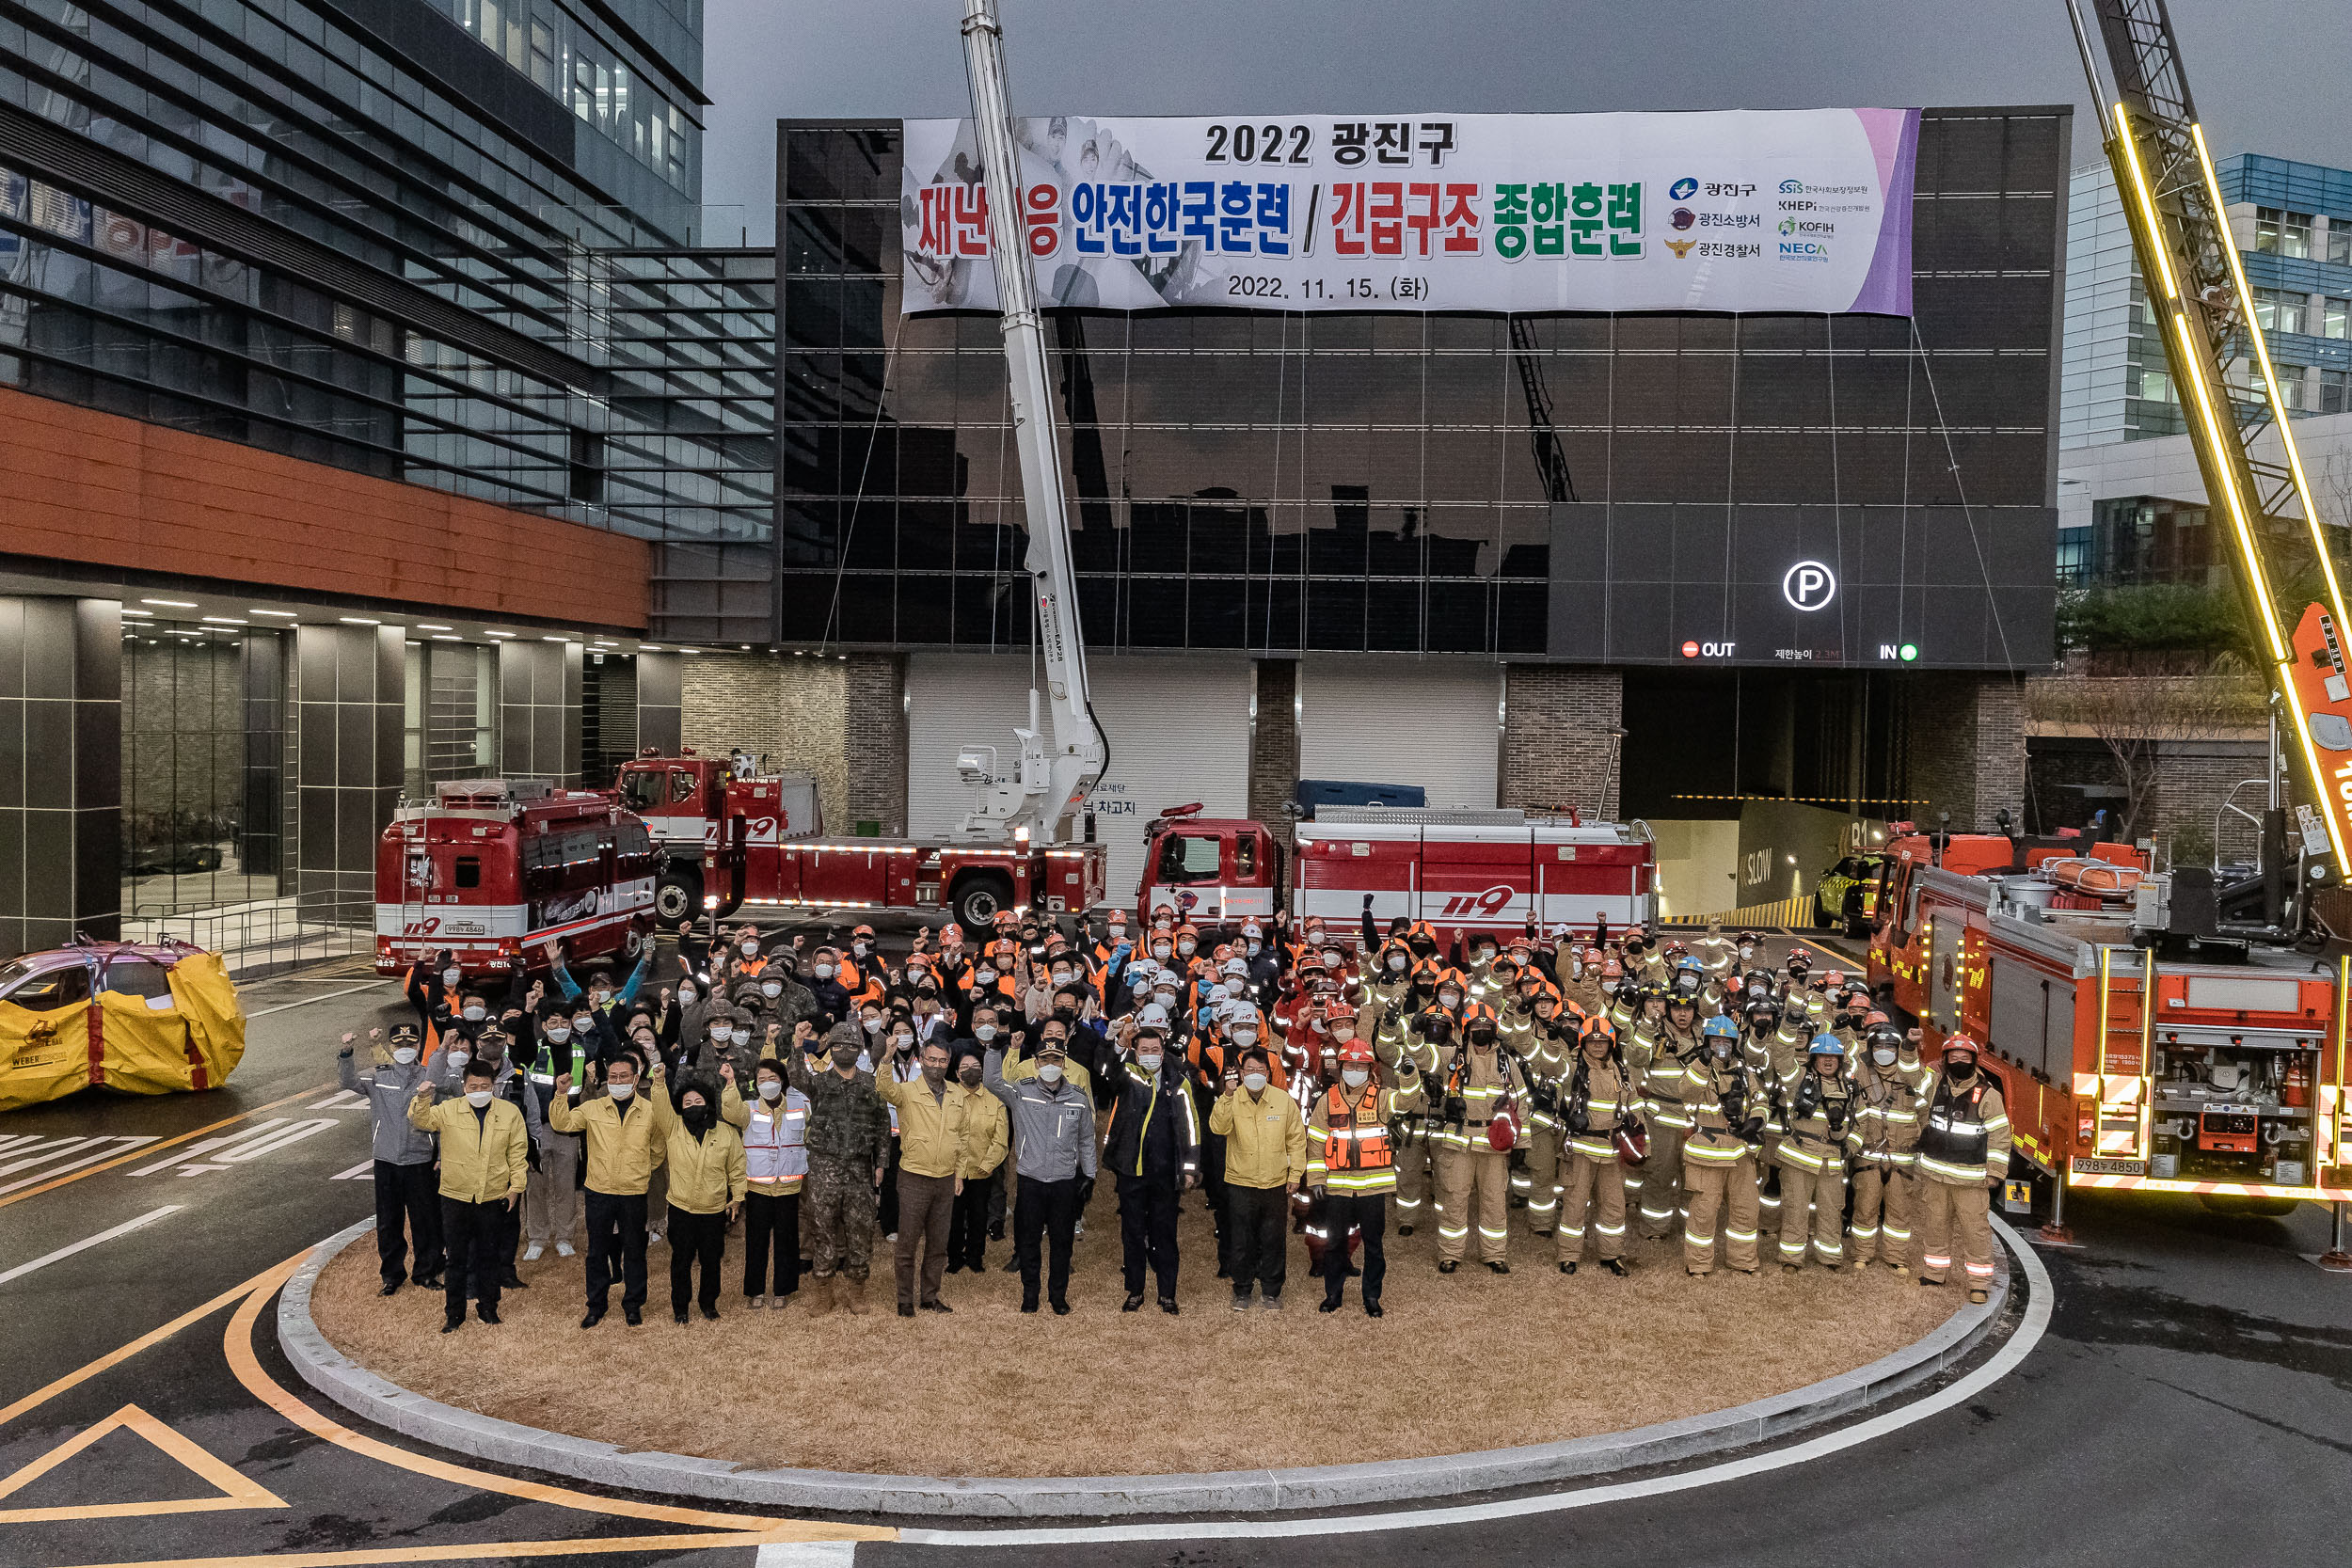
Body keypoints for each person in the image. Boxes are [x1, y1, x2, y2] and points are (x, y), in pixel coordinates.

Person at [873, 1038, 999, 1316]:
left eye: (943, 1061)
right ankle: (905, 1300)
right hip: (915, 1176)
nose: (937, 1065)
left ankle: (930, 1296)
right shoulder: (906, 1091)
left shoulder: (956, 1094)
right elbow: (883, 1088)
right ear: (921, 1059)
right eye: (932, 1059)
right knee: (907, 1244)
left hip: (945, 1178)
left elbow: (963, 1136)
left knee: (938, 1243)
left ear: (948, 1063)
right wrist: (886, 1058)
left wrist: (958, 1174)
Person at [548, 1050, 672, 1327]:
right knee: (597, 1252)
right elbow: (562, 1123)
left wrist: (642, 1168)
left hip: (633, 1191)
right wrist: (560, 1095)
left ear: (636, 1077)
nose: (618, 1081)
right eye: (613, 1077)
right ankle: (596, 1305)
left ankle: (633, 1305)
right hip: (599, 1191)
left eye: (624, 1076)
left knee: (635, 1251)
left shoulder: (651, 1110)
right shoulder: (593, 1107)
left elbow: (659, 1144)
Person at [405, 1058, 530, 1332]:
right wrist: (422, 1097)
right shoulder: (448, 1110)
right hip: (455, 1197)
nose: (479, 1090)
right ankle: (454, 1314)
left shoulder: (509, 1113)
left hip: (492, 1197)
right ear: (464, 1086)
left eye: (485, 1085)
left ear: (493, 1086)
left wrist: (515, 1189)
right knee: (456, 1258)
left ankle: (488, 1308)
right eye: (473, 1085)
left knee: (488, 1256)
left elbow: (518, 1154)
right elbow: (420, 1119)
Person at [983, 1035, 1098, 1314]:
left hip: (1064, 1182)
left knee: (1062, 1243)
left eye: (1055, 1059)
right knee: (1029, 1241)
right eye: (1044, 1059)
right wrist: (994, 1049)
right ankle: (1030, 1295)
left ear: (1064, 1062)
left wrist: (1089, 1175)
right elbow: (992, 1082)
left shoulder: (1078, 1098)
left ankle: (1058, 1297)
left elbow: (1086, 1139)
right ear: (1036, 1063)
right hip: (1031, 1180)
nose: (1050, 1064)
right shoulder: (1021, 1092)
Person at [787, 1022, 892, 1315]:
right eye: (838, 1046)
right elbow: (795, 1077)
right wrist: (798, 1044)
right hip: (824, 1167)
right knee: (822, 1230)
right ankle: (824, 1293)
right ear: (830, 1050)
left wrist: (881, 1163)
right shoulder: (819, 1082)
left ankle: (856, 1292)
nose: (844, 1050)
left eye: (851, 1046)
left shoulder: (872, 1084)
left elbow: (883, 1126)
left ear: (860, 1050)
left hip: (860, 1168)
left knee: (860, 1231)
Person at [1099, 1019, 1201, 1314]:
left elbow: (1190, 1126)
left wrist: (1190, 1167)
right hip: (1131, 1171)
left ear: (1162, 1049)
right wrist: (1119, 1045)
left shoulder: (1178, 1081)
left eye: (1154, 1049)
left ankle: (1167, 1294)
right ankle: (1135, 1291)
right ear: (1136, 1050)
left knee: (1165, 1234)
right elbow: (1109, 1075)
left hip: (1165, 1173)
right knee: (1132, 1233)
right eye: (1143, 1049)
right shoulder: (1129, 1074)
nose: (1150, 1053)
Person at [339, 1025, 443, 1294]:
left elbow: (442, 1117)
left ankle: (426, 1272)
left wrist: (439, 1154)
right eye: (399, 1044)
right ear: (391, 1048)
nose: (405, 1048)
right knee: (389, 1220)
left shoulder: (428, 1077)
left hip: (420, 1158)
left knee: (425, 1219)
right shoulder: (378, 1076)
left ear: (418, 1046)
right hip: (386, 1159)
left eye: (410, 1043)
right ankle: (392, 1275)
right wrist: (347, 1053)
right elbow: (349, 1083)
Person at [1305, 1039, 1404, 1316]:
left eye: (1361, 1065)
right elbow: (1315, 1142)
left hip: (1373, 1186)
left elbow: (1407, 1100)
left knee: (1374, 1244)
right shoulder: (1328, 1100)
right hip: (1338, 1188)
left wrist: (1409, 1075)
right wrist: (1316, 1180)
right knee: (1334, 1243)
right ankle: (1333, 1294)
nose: (1355, 1070)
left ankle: (1371, 1296)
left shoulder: (1382, 1096)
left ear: (1369, 1068)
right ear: (1341, 1067)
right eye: (1351, 1065)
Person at [1910, 1035, 2010, 1303]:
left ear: (1974, 1061)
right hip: (1935, 1176)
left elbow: (2001, 1137)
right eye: (1953, 1058)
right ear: (1944, 1060)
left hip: (1971, 1181)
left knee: (1975, 1232)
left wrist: (1996, 1173)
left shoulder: (1988, 1095)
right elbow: (1910, 1075)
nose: (1959, 1062)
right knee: (1935, 1226)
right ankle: (1934, 1274)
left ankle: (1979, 1284)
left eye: (1964, 1058)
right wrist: (1910, 1048)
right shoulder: (1934, 1085)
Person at [1209, 1044, 1306, 1311]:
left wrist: (1295, 1173)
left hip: (1275, 1183)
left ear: (1268, 1073)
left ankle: (1272, 1291)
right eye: (1249, 1069)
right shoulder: (1232, 1098)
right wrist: (1226, 1097)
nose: (1254, 1073)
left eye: (1260, 1070)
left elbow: (1297, 1140)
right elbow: (1218, 1127)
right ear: (1241, 1072)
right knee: (1241, 1240)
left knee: (1274, 1239)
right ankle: (1242, 1290)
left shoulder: (1283, 1100)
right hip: (1241, 1183)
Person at [1429, 1010, 1525, 1275]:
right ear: (1467, 1030)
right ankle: (1450, 1253)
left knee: (1495, 1201)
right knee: (1454, 1199)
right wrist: (1416, 1033)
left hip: (1495, 1143)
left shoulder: (1506, 1062)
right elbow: (1422, 1056)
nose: (1481, 1030)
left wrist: (1521, 1146)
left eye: (1486, 1025)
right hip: (1459, 1140)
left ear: (1494, 1029)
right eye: (1476, 1026)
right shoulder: (1453, 1057)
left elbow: (1521, 1104)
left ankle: (1494, 1254)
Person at [1680, 1015, 1765, 1276]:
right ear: (1706, 1042)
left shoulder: (1744, 1071)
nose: (1721, 1045)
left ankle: (1742, 1261)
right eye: (1716, 1039)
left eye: (1726, 1040)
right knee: (1704, 1213)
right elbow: (1686, 1092)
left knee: (1746, 1210)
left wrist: (1757, 1119)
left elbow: (1760, 1098)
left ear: (1734, 1042)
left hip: (1741, 1152)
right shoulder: (1698, 1068)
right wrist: (1703, 1063)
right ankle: (1698, 1264)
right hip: (1708, 1152)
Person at [661, 1070, 746, 1323]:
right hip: (681, 1209)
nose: (693, 1106)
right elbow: (659, 1103)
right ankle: (680, 1308)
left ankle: (708, 1303)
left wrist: (738, 1197)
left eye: (698, 1101)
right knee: (681, 1261)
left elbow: (737, 1167)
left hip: (713, 1209)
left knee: (711, 1261)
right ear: (680, 1107)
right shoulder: (673, 1127)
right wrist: (657, 1080)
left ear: (708, 1103)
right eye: (687, 1103)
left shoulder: (726, 1132)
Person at [1555, 1015, 1637, 1276]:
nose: (1598, 1046)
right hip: (1581, 1147)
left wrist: (1638, 1137)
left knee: (1613, 1206)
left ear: (1611, 1043)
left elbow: (1635, 1107)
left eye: (1603, 1041)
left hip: (1612, 1149)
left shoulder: (1622, 1072)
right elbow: (1551, 1069)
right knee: (1575, 1204)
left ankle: (1611, 1254)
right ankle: (1568, 1256)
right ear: (1583, 1043)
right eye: (1592, 1041)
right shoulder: (1571, 1069)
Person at [1775, 1035, 1857, 1273]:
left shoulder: (1850, 1086)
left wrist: (1850, 1146)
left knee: (1832, 1210)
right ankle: (1791, 1258)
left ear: (1840, 1060)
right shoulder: (1799, 1079)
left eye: (1833, 1056)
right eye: (1823, 1056)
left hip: (1831, 1160)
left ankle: (1829, 1257)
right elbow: (1781, 1057)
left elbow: (1861, 1122)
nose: (1828, 1060)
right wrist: (1789, 1025)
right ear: (1813, 1058)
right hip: (1799, 1157)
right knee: (1795, 1208)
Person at [732, 1053, 808, 1308]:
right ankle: (755, 1291)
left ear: (783, 1081)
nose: (766, 1082)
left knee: (787, 1240)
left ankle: (782, 1290)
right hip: (758, 1187)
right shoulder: (748, 1108)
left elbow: (809, 1135)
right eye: (761, 1079)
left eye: (772, 1078)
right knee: (757, 1240)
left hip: (789, 1185)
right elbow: (729, 1110)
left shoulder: (799, 1107)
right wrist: (730, 1083)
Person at [1848, 1022, 1925, 1273]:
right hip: (1867, 1156)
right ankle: (1862, 1254)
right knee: (1865, 1208)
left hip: (1901, 1158)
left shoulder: (1913, 1075)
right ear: (1870, 1049)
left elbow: (1925, 1113)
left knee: (1899, 1212)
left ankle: (1896, 1257)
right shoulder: (1859, 1073)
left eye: (1890, 1047)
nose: (1884, 1051)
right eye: (1879, 1046)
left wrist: (1910, 1048)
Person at [945, 1044, 1009, 1276]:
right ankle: (953, 1257)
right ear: (957, 1073)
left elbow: (1000, 1140)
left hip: (982, 1172)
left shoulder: (995, 1101)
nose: (970, 1070)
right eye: (964, 1067)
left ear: (981, 1071)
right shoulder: (947, 1098)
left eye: (975, 1066)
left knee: (978, 1216)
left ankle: (975, 1256)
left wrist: (987, 1165)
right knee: (953, 1217)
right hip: (953, 1172)